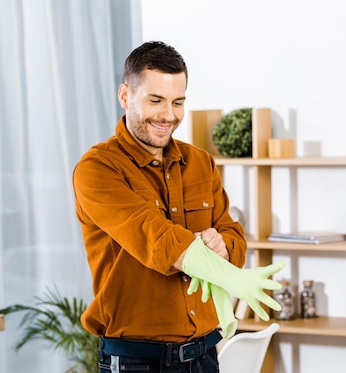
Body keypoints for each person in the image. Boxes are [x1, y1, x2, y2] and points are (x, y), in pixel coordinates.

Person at [73, 41, 284, 373]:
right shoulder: (98, 169)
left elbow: (234, 236)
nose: (168, 115)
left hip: (204, 354)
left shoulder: (200, 162)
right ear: (125, 96)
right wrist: (228, 275)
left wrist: (223, 249)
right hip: (136, 361)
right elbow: (158, 239)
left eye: (178, 102)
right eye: (155, 100)